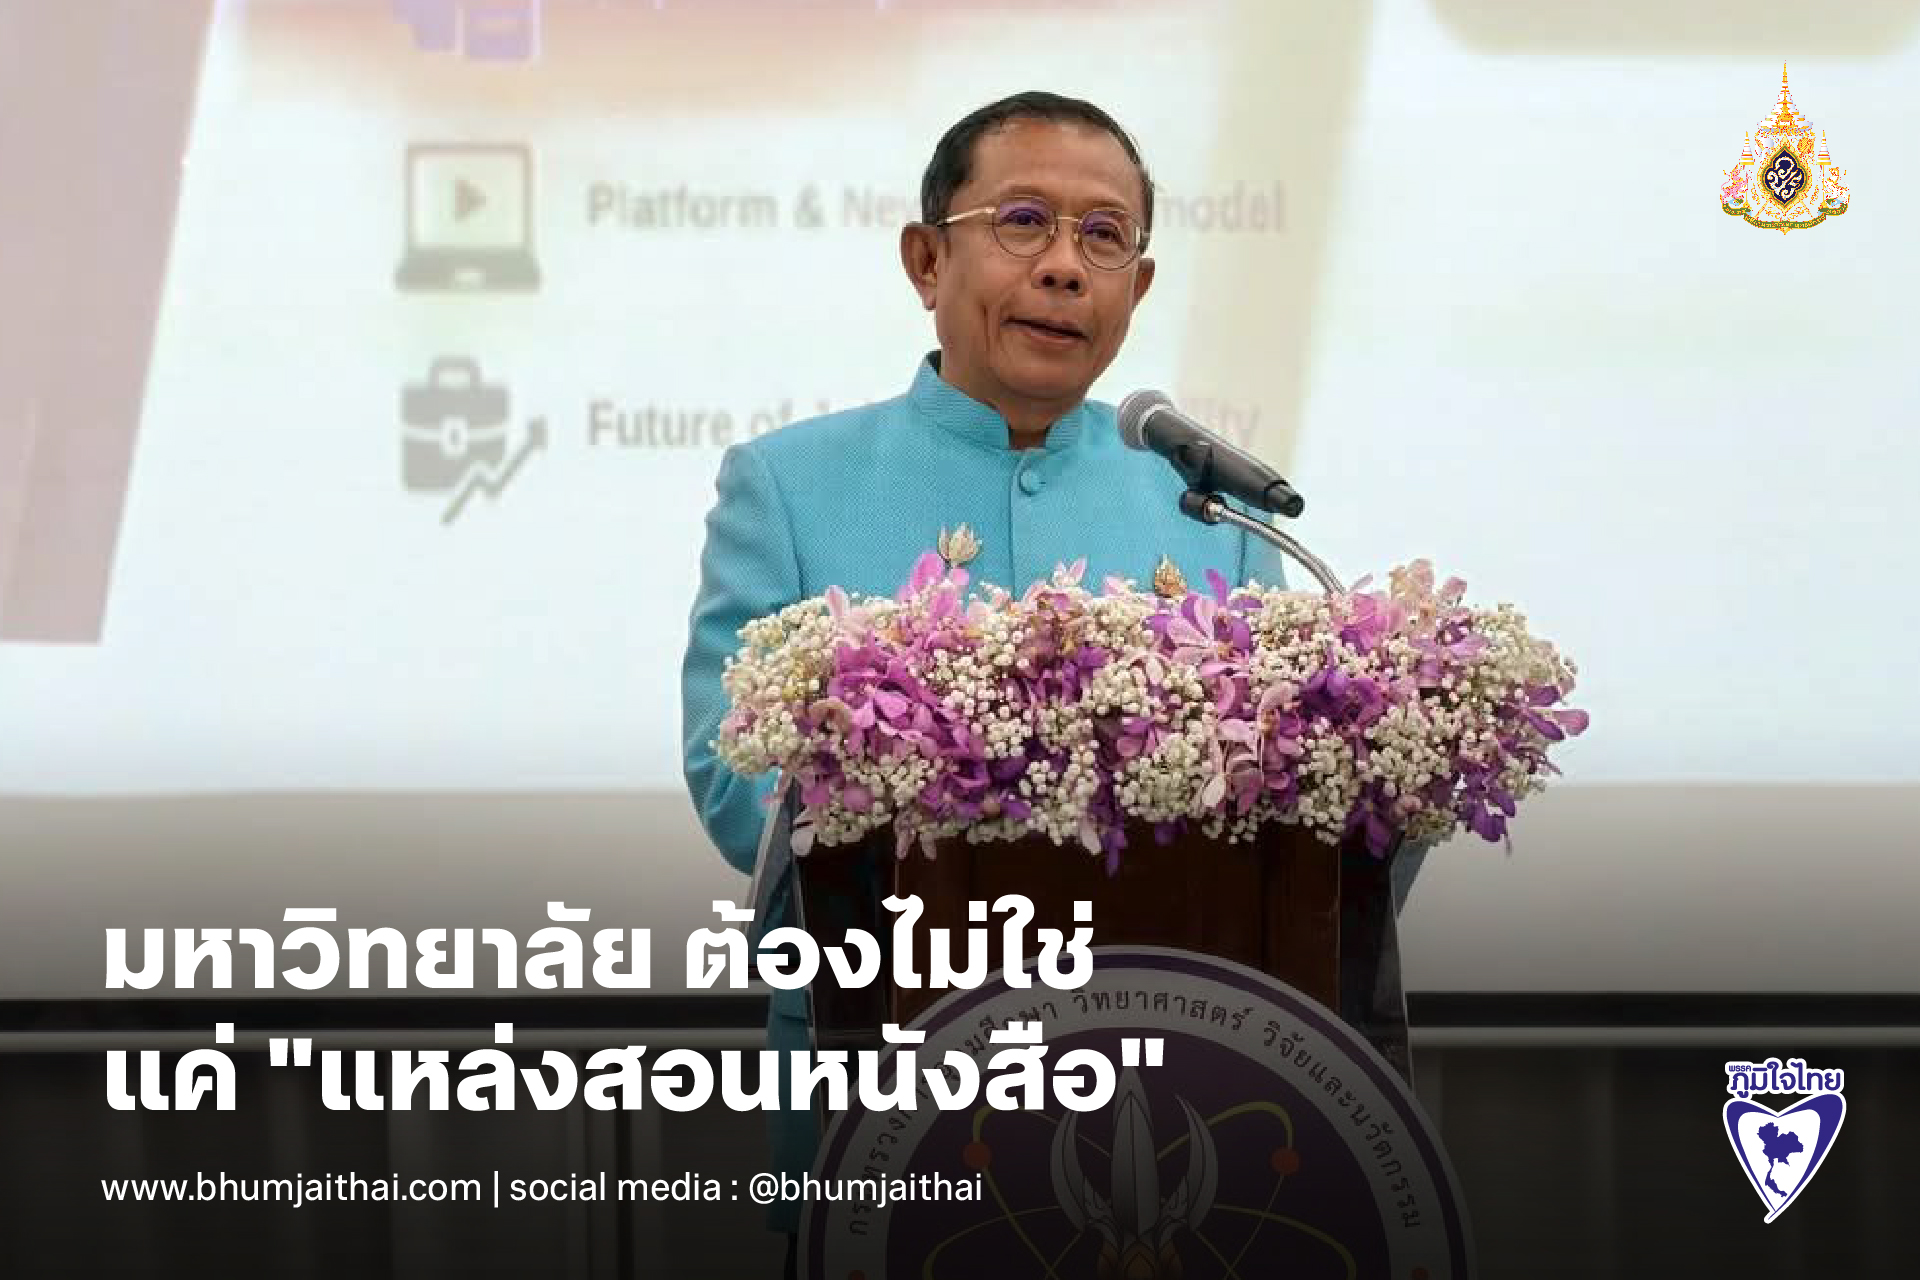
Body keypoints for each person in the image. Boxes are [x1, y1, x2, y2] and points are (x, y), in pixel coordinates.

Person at [679, 90, 1419, 1275]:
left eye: (1104, 236)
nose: (1066, 267)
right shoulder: (789, 485)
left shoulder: (1211, 511)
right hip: (883, 1114)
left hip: (1183, 1117)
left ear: (1140, 283)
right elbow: (737, 784)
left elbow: (1304, 806)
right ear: (927, 260)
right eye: (1023, 222)